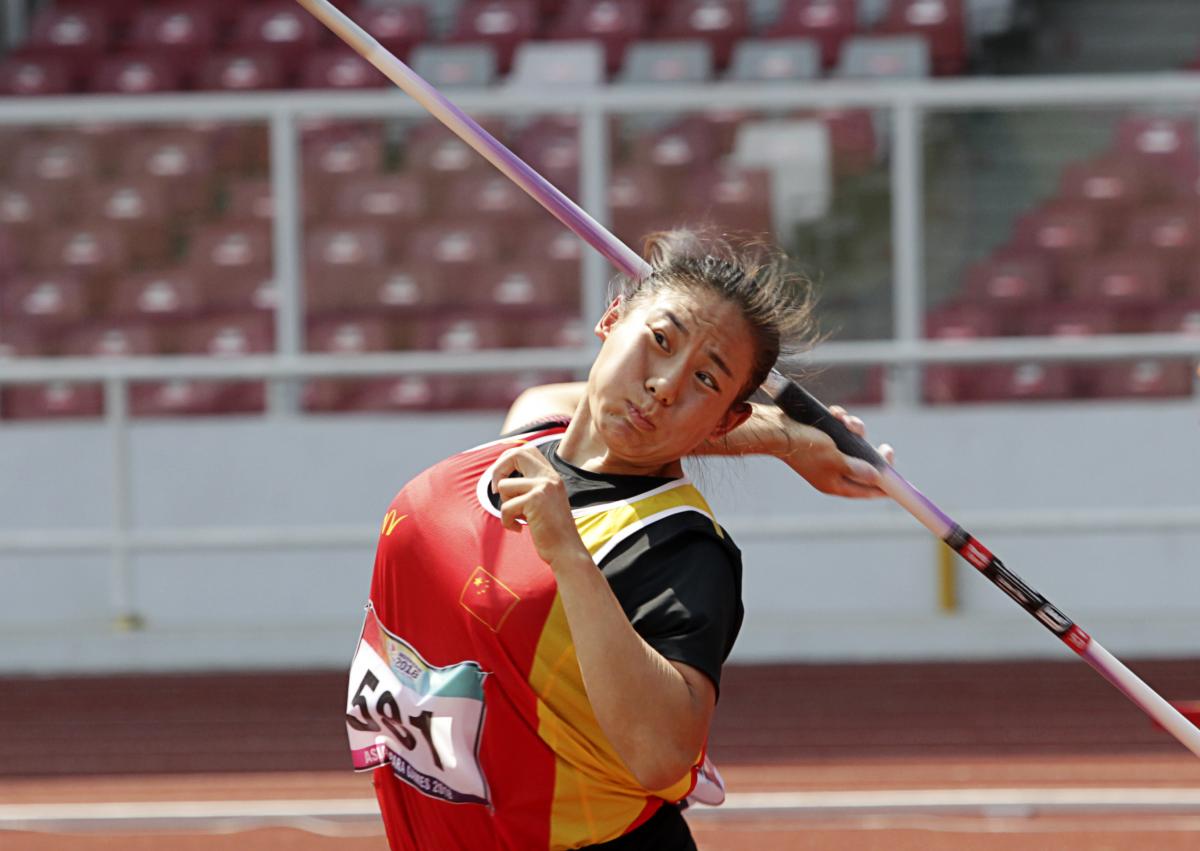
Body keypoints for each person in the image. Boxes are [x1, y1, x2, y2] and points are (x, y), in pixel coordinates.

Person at [347, 230, 894, 850]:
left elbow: (664, 758)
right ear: (612, 318)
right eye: (659, 341)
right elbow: (573, 407)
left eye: (706, 381)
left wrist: (569, 556)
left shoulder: (680, 552)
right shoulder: (530, 429)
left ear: (725, 419)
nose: (664, 385)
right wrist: (790, 438)